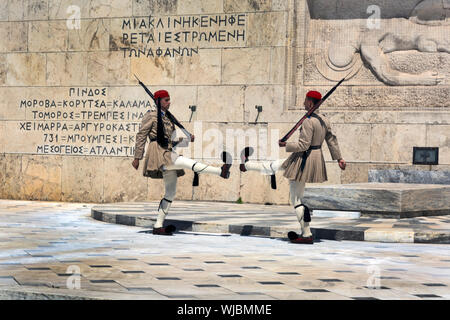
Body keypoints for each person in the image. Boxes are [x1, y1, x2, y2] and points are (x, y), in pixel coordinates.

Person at [240, 91, 346, 244]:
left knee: (296, 199)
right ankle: (247, 165)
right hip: (314, 157)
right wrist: (339, 158)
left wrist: (286, 145)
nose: (303, 103)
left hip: (304, 159)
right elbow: (331, 140)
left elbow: (303, 145)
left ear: (310, 103)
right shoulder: (324, 120)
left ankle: (306, 234)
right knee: (277, 165)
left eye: (305, 100)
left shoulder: (308, 121)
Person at [132, 90, 231, 236]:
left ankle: (158, 226)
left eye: (169, 100)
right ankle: (220, 171)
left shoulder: (168, 118)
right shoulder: (151, 116)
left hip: (168, 151)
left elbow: (170, 141)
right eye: (166, 100)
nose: (169, 102)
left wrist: (186, 140)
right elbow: (141, 135)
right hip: (159, 154)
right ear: (158, 101)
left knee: (170, 193)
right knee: (188, 163)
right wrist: (137, 157)